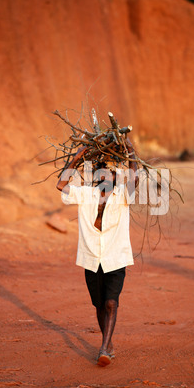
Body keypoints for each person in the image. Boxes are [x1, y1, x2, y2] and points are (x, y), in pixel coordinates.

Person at [56, 141, 138, 366]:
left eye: (110, 173)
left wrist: (131, 150)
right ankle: (108, 343)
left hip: (116, 257)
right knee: (100, 305)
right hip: (91, 258)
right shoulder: (86, 195)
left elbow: (134, 179)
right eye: (101, 173)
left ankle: (103, 347)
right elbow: (61, 185)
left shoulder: (123, 196)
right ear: (97, 176)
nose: (105, 177)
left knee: (111, 303)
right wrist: (77, 156)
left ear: (115, 176)